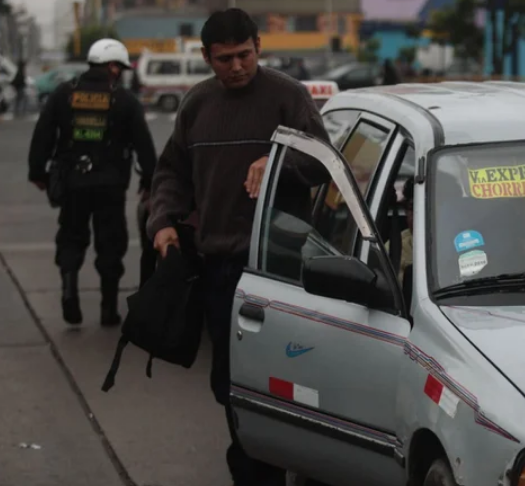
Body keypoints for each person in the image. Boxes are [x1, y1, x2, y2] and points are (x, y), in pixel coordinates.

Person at [147, 9, 330, 486]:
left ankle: (280, 464)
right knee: (231, 385)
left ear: (259, 47)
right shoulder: (197, 105)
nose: (235, 66)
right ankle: (251, 467)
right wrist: (163, 221)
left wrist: (277, 161)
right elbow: (170, 173)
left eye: (243, 55)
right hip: (220, 271)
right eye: (223, 59)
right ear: (206, 57)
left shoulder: (288, 97)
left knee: (287, 382)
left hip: (282, 271)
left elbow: (322, 165)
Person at [28, 38, 157, 326]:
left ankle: (69, 290)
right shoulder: (125, 100)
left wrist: (39, 173)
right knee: (110, 245)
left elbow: (42, 137)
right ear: (112, 66)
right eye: (120, 68)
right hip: (110, 187)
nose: (121, 73)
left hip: (72, 183)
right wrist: (150, 179)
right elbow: (144, 147)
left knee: (71, 237)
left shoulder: (63, 94)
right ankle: (108, 310)